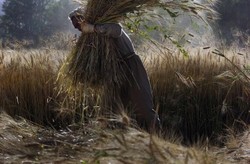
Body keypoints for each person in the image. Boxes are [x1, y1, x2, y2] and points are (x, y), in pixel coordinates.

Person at [69, 8, 161, 133]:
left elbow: (117, 30)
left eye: (77, 24)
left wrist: (92, 28)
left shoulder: (104, 25)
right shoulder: (90, 39)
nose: (77, 28)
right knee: (112, 111)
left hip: (131, 66)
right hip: (113, 73)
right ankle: (119, 143)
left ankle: (157, 138)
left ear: (84, 18)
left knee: (143, 107)